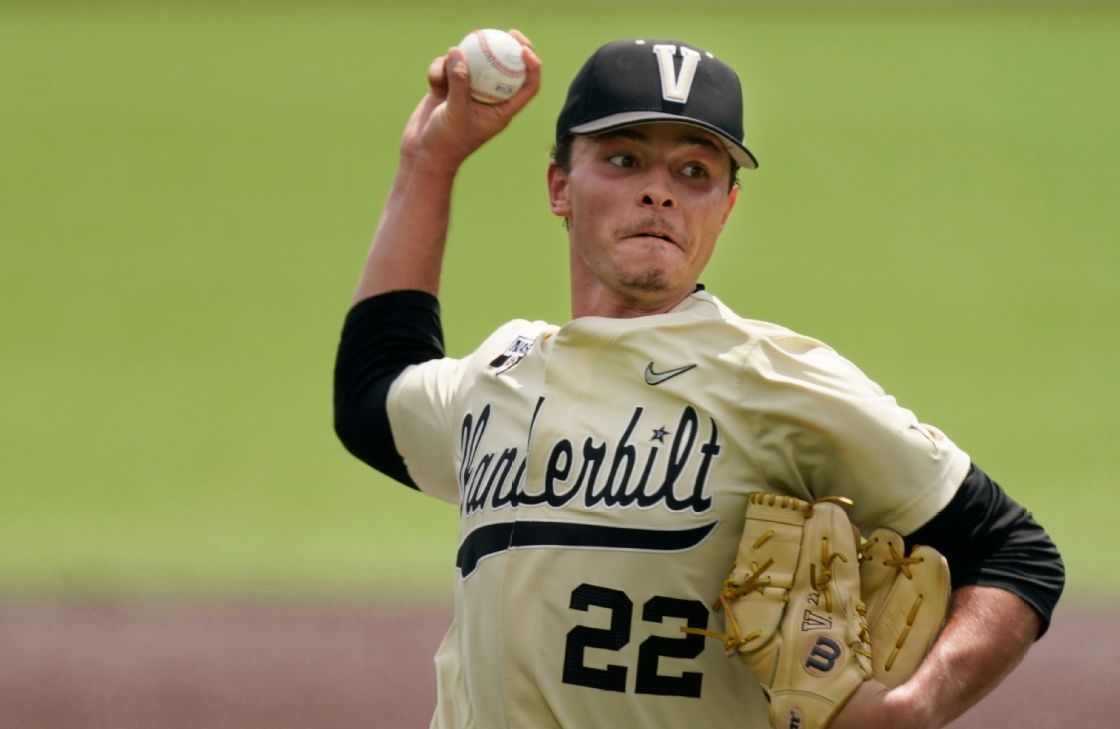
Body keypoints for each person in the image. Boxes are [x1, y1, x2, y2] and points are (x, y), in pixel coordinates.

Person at [334, 31, 1064, 729]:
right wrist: (428, 163)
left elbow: (1015, 551)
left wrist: (920, 704)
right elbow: (372, 395)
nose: (659, 193)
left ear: (725, 207)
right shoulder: (501, 372)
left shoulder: (773, 379)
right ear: (560, 186)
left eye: (694, 171)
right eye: (623, 160)